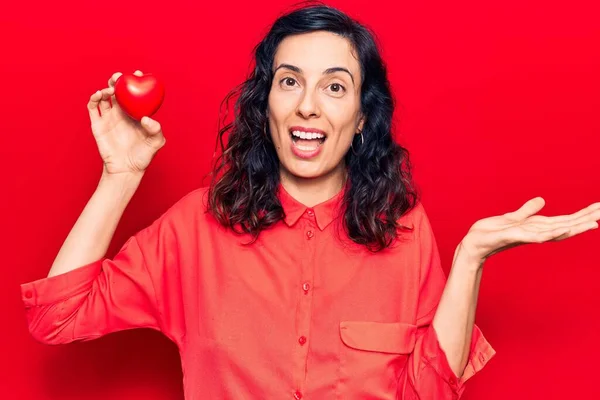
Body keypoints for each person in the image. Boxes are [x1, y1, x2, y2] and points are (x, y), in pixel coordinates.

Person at [20, 4, 600, 400]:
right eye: (290, 81)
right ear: (265, 102)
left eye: (335, 86)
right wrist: (121, 176)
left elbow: (430, 390)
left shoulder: (401, 230)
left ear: (362, 117)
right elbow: (55, 318)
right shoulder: (196, 228)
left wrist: (471, 257)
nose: (308, 106)